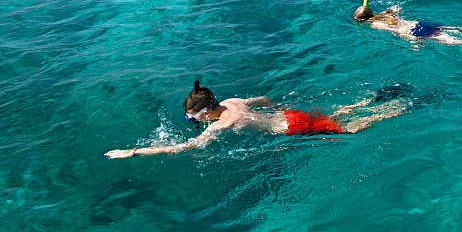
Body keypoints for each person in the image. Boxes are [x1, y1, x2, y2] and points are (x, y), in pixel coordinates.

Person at [103, 80, 414, 158]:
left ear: (207, 113)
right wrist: (275, 109)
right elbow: (263, 100)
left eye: (192, 119)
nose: (194, 122)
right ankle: (372, 99)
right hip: (288, 115)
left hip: (293, 127)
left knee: (352, 129)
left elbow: (186, 148)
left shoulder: (223, 123)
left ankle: (403, 106)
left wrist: (133, 151)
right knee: (333, 116)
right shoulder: (232, 102)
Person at [353, 4, 462, 59]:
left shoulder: (374, 25)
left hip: (415, 33)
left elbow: (398, 31)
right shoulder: (384, 14)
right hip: (421, 23)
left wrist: (413, 43)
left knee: (456, 41)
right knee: (460, 30)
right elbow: (396, 9)